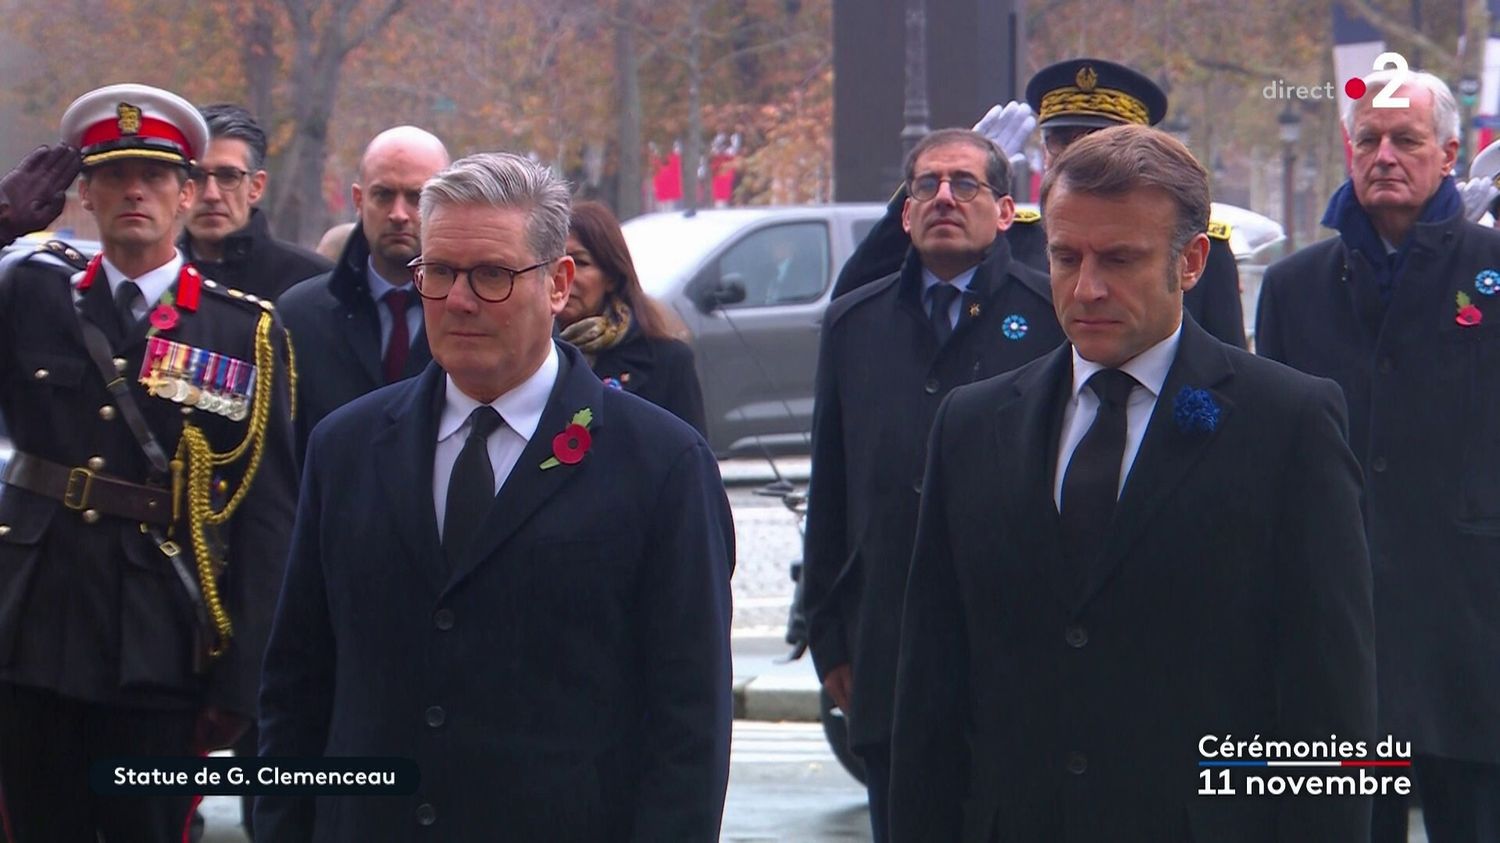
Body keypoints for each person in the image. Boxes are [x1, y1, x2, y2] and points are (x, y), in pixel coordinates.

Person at [889, 124, 1376, 843]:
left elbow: (1330, 708)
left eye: (1120, 258)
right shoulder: (971, 424)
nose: (1087, 287)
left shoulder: (1288, 423)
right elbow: (931, 692)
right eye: (1065, 257)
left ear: (1190, 262)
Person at [256, 152, 734, 840]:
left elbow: (689, 720)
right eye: (440, 272)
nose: (458, 300)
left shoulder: (658, 464)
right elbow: (298, 685)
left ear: (559, 283)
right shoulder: (347, 449)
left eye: (491, 274)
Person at [0, 83, 296, 841]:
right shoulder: (30, 296)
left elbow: (265, 514)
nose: (134, 190)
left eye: (156, 176)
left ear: (188, 192)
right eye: (112, 174)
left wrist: (243, 676)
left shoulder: (241, 331)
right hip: (34, 626)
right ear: (84, 195)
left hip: (162, 640)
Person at [802, 127, 1066, 842]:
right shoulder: (856, 323)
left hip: (1018, 662)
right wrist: (826, 635)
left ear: (1007, 212)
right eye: (926, 185)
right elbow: (832, 485)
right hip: (889, 659)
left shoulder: (1052, 319)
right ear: (906, 211)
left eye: (965, 183)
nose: (943, 197)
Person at [1257, 70, 1500, 843]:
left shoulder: (1491, 277)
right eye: (1369, 140)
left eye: (1407, 140)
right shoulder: (1295, 287)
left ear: (1450, 154)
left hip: (1472, 627)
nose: (1385, 155)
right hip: (1336, 628)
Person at [834, 57, 1248, 350]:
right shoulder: (1010, 238)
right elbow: (859, 293)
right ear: (1043, 149)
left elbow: (1224, 376)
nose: (1076, 155)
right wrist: (953, 172)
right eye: (1061, 139)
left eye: (1099, 141)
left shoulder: (1190, 246)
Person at [277, 125, 449, 458]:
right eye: (383, 195)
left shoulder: (476, 314)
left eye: (417, 197)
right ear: (358, 199)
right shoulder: (299, 317)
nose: (399, 214)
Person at [562, 200, 706, 434]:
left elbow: (691, 461)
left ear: (611, 276)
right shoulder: (526, 356)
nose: (564, 276)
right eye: (553, 262)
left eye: (580, 262)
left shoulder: (667, 362)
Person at [179, 104, 331, 301]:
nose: (211, 194)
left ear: (256, 187)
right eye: (196, 176)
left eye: (228, 176)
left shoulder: (314, 283)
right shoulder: (151, 279)